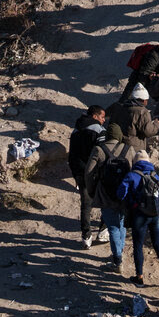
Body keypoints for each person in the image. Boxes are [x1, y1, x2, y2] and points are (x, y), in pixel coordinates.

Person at [84, 122, 137, 273]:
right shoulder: (129, 149)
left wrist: (92, 190)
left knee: (112, 226)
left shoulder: (99, 149)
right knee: (121, 224)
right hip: (124, 193)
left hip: (105, 193)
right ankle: (118, 254)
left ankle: (117, 259)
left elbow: (88, 172)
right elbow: (135, 171)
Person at [117, 152, 159, 286]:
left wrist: (130, 201)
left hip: (139, 214)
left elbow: (120, 193)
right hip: (155, 215)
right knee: (158, 243)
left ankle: (139, 277)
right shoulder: (155, 175)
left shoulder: (132, 175)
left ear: (135, 161)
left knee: (138, 245)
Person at [68, 105, 106, 248]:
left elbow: (71, 155)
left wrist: (75, 173)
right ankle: (102, 231)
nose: (103, 121)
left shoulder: (75, 130)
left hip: (79, 172)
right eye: (102, 117)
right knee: (104, 200)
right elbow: (103, 152)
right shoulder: (99, 130)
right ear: (95, 116)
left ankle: (86, 236)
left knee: (86, 204)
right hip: (95, 172)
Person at [120, 36, 159, 102]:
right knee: (125, 100)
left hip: (152, 78)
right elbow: (143, 75)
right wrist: (141, 93)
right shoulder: (154, 56)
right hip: (139, 79)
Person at [106, 83, 159, 151]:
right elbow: (148, 131)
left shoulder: (121, 108)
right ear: (144, 100)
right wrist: (156, 124)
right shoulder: (142, 112)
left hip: (119, 145)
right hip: (134, 147)